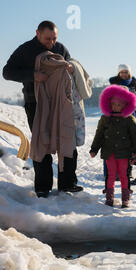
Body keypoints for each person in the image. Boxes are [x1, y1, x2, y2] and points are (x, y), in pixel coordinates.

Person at [2, 20, 81, 198]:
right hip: (35, 103)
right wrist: (33, 76)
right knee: (41, 142)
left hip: (60, 103)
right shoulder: (25, 50)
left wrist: (70, 67)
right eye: (47, 39)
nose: (51, 43)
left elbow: (71, 66)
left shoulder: (60, 48)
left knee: (67, 139)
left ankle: (68, 184)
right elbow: (7, 72)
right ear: (37, 33)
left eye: (54, 38)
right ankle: (43, 187)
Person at [90, 85, 136, 208]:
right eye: (113, 104)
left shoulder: (130, 119)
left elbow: (135, 137)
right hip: (109, 152)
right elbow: (99, 135)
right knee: (110, 175)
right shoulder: (105, 119)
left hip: (124, 153)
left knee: (124, 174)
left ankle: (125, 197)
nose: (116, 107)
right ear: (109, 104)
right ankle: (109, 197)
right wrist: (94, 149)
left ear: (125, 105)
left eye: (119, 105)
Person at [104, 64, 136, 180]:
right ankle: (112, 172)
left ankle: (127, 171)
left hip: (131, 117)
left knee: (129, 146)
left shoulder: (134, 86)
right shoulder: (113, 85)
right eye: (122, 72)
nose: (124, 74)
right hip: (116, 117)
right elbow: (107, 101)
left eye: (126, 72)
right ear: (118, 74)